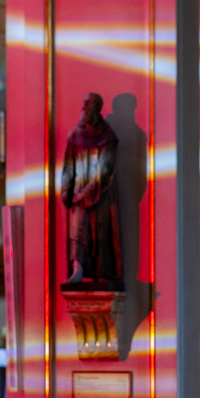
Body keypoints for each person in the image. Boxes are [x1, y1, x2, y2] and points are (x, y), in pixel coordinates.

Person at [61, 92, 121, 284]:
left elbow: (104, 170)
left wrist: (87, 192)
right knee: (76, 231)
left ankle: (100, 272)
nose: (84, 106)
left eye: (89, 103)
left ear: (97, 108)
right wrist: (66, 190)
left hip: (99, 196)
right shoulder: (75, 135)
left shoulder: (107, 136)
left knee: (99, 234)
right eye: (84, 102)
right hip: (78, 193)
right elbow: (68, 166)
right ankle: (77, 269)